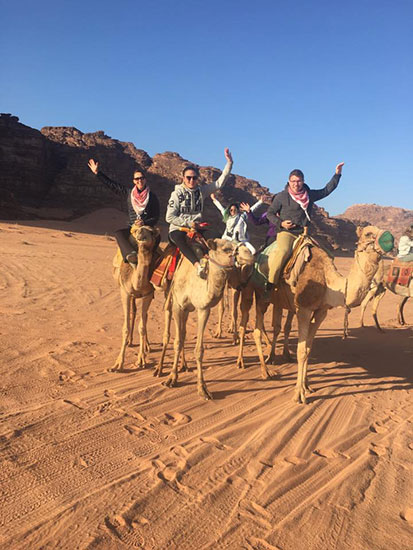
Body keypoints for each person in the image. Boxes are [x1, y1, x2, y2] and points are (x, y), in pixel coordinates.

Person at [266, 163, 345, 289]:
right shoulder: (281, 196)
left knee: (327, 255)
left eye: (298, 181)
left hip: (304, 234)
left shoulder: (309, 195)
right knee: (283, 252)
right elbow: (270, 213)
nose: (295, 184)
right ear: (289, 181)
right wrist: (281, 223)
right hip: (286, 232)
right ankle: (270, 284)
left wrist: (337, 174)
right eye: (293, 181)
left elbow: (326, 190)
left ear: (303, 181)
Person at [166, 147, 233, 277]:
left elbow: (219, 183)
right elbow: (169, 217)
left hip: (197, 228)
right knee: (180, 241)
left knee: (218, 237)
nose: (191, 180)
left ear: (197, 179)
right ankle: (197, 265)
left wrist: (229, 163)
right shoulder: (176, 194)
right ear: (183, 178)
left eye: (194, 178)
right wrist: (187, 223)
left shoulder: (201, 191)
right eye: (188, 178)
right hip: (178, 229)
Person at [87, 159, 160, 267]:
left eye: (142, 178)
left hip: (147, 227)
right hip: (132, 227)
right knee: (118, 233)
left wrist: (144, 222)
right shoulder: (129, 193)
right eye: (137, 179)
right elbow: (112, 185)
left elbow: (156, 216)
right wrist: (98, 173)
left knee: (156, 241)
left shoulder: (152, 197)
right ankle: (130, 255)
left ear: (145, 179)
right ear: (134, 181)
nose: (140, 180)